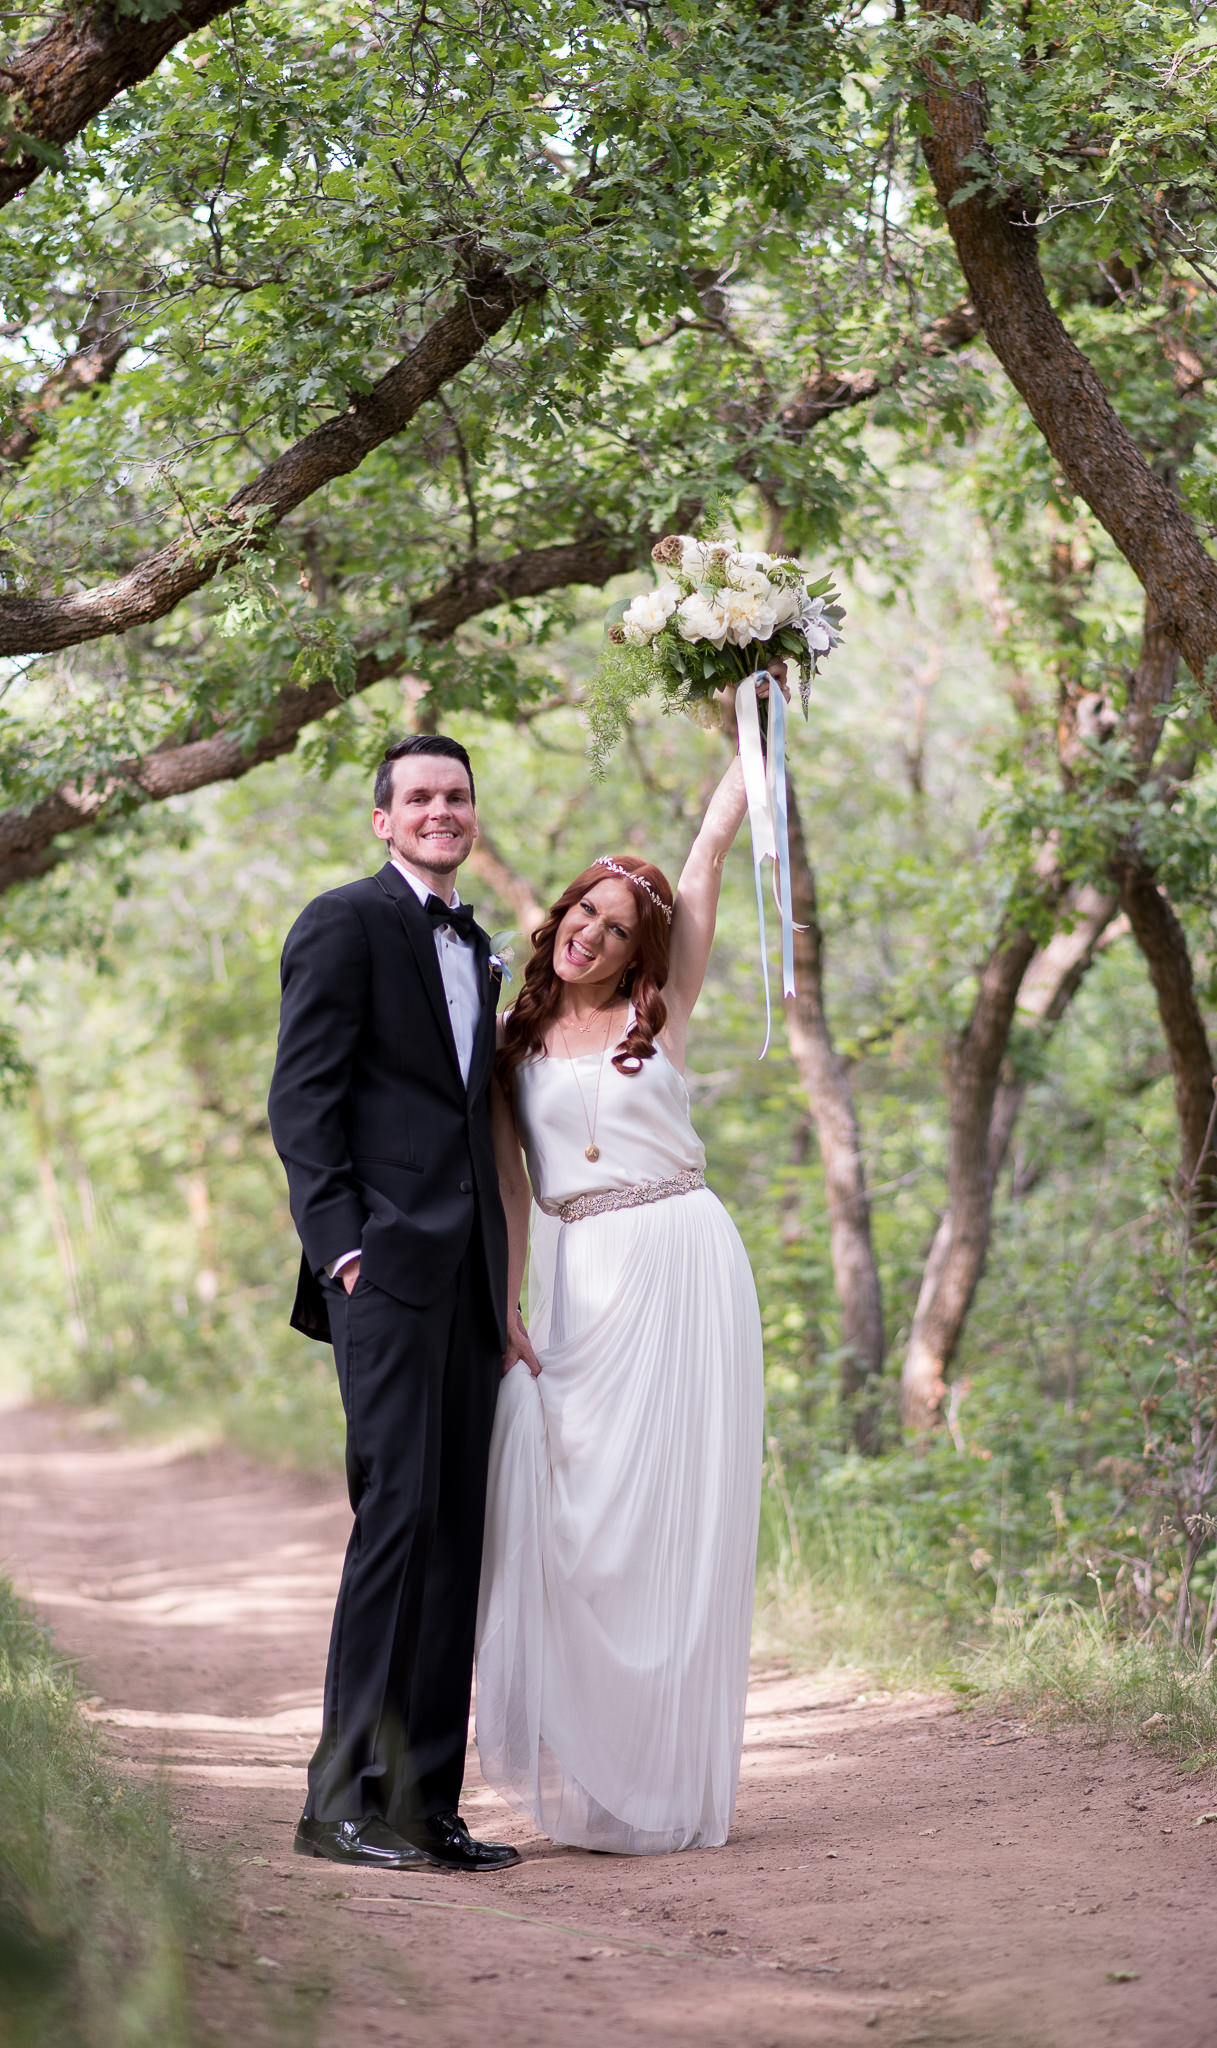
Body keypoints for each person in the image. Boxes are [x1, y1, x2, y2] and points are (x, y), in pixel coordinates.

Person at [475, 678, 771, 1855]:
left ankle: (657, 1784)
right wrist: (503, 1301)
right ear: (555, 921)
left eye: (614, 923)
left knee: (671, 1524)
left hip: (689, 1261)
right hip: (584, 1274)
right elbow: (508, 1187)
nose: (590, 931)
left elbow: (710, 843)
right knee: (583, 1515)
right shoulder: (510, 1045)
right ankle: (590, 1767)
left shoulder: (666, 1009)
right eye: (579, 914)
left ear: (641, 944)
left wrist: (758, 699)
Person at [267, 734, 519, 1873]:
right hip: (384, 1276)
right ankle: (339, 1803)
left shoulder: (479, 945)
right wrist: (343, 1252)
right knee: (396, 1523)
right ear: (382, 818)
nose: (439, 810)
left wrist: (501, 1281)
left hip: (467, 1281)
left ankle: (426, 1803)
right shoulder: (344, 921)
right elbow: (302, 1102)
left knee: (457, 1532)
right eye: (418, 796)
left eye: (455, 795)